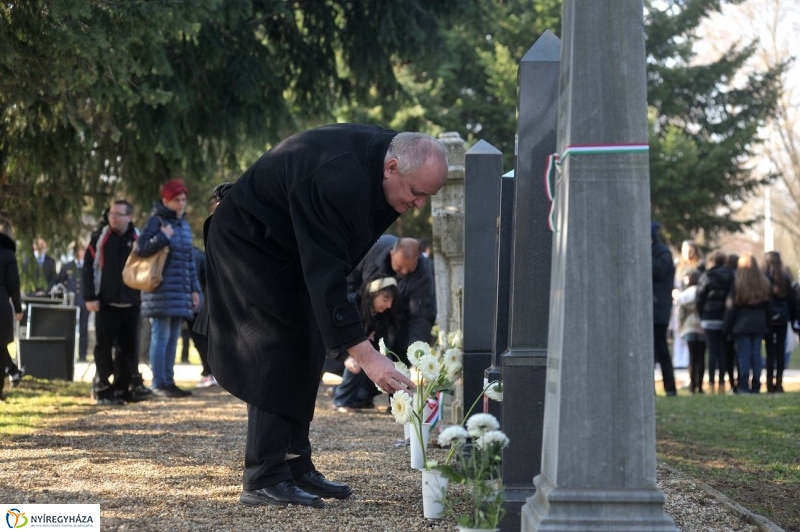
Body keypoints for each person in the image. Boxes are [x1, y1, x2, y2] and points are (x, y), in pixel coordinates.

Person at [196, 124, 448, 509]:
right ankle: (264, 476)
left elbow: (335, 260)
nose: (418, 205)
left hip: (288, 245)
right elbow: (327, 275)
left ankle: (296, 464)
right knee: (273, 347)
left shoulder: (387, 161)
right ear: (392, 167)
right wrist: (368, 357)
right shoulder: (336, 178)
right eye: (417, 193)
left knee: (308, 340)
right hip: (248, 244)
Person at [138, 179, 201, 399]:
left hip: (181, 291)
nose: (181, 203)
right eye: (176, 200)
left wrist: (195, 290)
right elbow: (141, 249)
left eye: (183, 199)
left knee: (173, 337)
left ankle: (168, 380)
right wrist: (163, 237)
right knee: (161, 335)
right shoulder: (157, 221)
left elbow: (190, 261)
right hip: (160, 290)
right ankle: (158, 382)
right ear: (166, 200)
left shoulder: (183, 224)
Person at [83, 200, 143, 405]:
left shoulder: (138, 237)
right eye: (111, 213)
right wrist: (89, 297)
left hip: (131, 302)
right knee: (103, 347)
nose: (113, 217)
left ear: (129, 217)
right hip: (105, 303)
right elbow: (87, 268)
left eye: (118, 214)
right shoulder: (100, 238)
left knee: (128, 349)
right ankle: (102, 388)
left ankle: (122, 388)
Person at [346, 235, 437, 365]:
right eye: (400, 267)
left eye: (410, 269)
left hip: (400, 320)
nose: (404, 272)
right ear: (392, 254)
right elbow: (349, 283)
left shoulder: (423, 273)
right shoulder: (371, 250)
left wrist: (418, 358)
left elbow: (421, 316)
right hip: (366, 316)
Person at [331, 275, 400, 411]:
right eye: (385, 299)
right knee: (358, 360)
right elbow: (331, 335)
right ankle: (341, 401)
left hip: (366, 355)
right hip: (339, 354)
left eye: (391, 300)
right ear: (372, 295)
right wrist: (345, 357)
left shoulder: (382, 315)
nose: (389, 305)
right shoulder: (350, 306)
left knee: (388, 366)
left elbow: (382, 343)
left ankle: (397, 405)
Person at [723, 254, 770, 394]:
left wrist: (726, 327)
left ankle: (743, 385)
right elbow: (768, 307)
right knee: (756, 354)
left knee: (743, 355)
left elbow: (731, 308)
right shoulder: (764, 283)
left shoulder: (737, 283)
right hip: (759, 323)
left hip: (741, 324)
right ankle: (756, 384)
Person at [696, 251, 735, 394]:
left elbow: (699, 298)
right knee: (723, 351)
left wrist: (702, 315)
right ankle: (722, 384)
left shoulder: (706, 276)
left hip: (709, 316)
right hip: (724, 317)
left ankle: (711, 383)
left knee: (712, 351)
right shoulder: (730, 276)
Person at [763, 251, 795, 393]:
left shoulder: (763, 277)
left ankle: (770, 382)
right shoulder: (785, 278)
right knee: (780, 351)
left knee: (770, 352)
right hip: (782, 317)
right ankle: (779, 382)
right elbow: (791, 300)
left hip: (768, 318)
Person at [651, 222, 676, 396]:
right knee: (653, 351)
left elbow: (658, 271)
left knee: (660, 348)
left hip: (658, 309)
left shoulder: (662, 253)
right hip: (654, 308)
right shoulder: (660, 252)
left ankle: (670, 387)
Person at [672, 240, 704, 370]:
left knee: (689, 334)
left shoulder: (699, 266)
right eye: (685, 251)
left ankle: (688, 362)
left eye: (690, 251)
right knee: (678, 331)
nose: (688, 254)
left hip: (692, 304)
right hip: (679, 302)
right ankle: (678, 361)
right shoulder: (679, 266)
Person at [0, 227, 24, 398]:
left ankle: (13, 372)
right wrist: (18, 307)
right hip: (1, 304)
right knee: (1, 347)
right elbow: (13, 285)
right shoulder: (8, 255)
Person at [58, 245, 89, 361]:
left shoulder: (87, 266)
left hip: (84, 302)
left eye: (81, 250)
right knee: (69, 329)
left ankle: (82, 355)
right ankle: (67, 355)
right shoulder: (68, 266)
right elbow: (61, 283)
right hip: (71, 302)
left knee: (83, 329)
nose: (80, 253)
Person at [677, 269, 705, 394]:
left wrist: (680, 327)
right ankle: (700, 385)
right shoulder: (702, 293)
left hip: (689, 327)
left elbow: (680, 314)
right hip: (702, 326)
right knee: (701, 357)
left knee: (692, 357)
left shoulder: (684, 295)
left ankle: (692, 385)